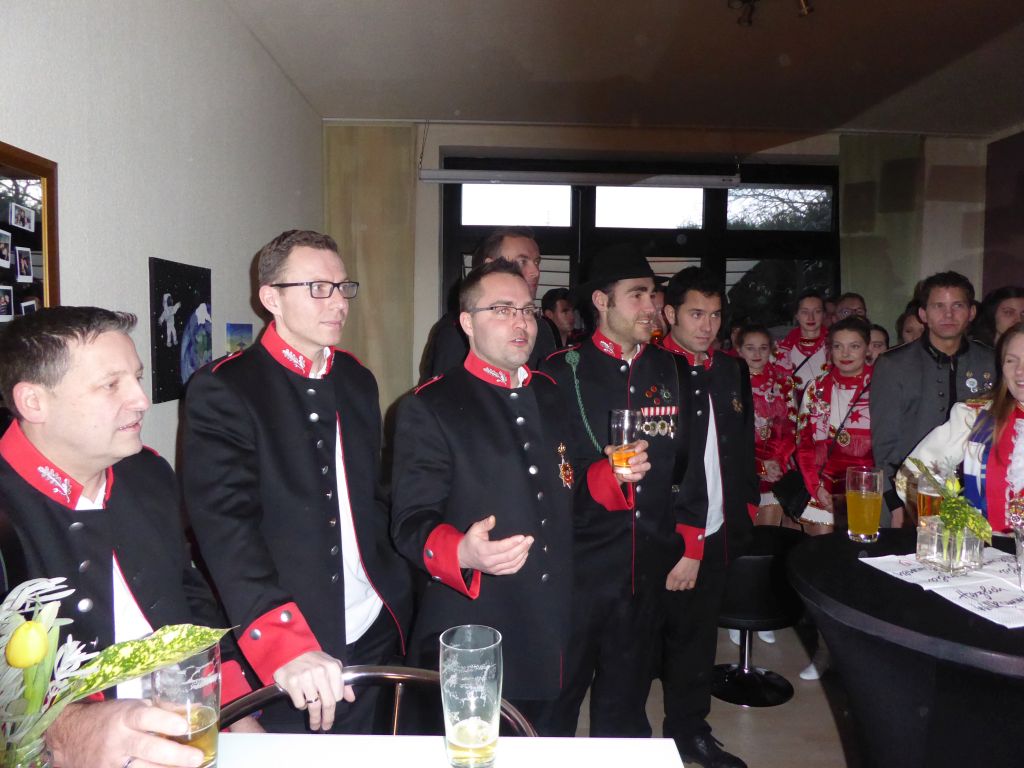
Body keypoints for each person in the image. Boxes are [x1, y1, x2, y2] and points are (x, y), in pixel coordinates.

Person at [0, 307, 258, 768]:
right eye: (110, 384)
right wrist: (67, 729)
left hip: (184, 738)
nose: (141, 399)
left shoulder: (148, 473)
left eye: (136, 378)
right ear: (34, 402)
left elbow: (187, 595)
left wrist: (235, 707)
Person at [181, 230, 412, 734]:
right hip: (290, 637)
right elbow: (226, 529)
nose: (338, 302)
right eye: (318, 288)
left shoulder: (356, 379)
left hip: (375, 622)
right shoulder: (226, 387)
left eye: (343, 287)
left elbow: (370, 497)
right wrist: (284, 642)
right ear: (271, 298)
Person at [391, 260, 576, 732]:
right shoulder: (430, 405)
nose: (521, 322)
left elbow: (569, 487)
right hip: (477, 624)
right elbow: (409, 523)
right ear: (467, 323)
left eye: (527, 310)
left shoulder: (552, 392)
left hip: (556, 619)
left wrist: (612, 476)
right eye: (502, 310)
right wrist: (462, 551)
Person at [540, 244, 670, 739]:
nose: (650, 306)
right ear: (601, 301)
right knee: (557, 701)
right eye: (637, 295)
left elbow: (683, 466)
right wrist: (603, 475)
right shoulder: (559, 372)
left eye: (653, 295)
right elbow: (545, 480)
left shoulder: (668, 369)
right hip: (579, 569)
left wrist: (687, 541)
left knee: (627, 707)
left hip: (645, 570)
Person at [658, 267, 757, 768]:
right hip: (663, 533)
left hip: (719, 526)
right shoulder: (652, 370)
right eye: (696, 314)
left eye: (715, 315)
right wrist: (684, 541)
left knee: (698, 640)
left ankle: (689, 732)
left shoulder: (731, 369)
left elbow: (743, 441)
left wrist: (746, 506)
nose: (707, 326)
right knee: (646, 641)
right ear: (670, 313)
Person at [871, 271, 996, 528]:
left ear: (971, 312)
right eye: (938, 306)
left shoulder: (991, 361)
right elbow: (884, 444)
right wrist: (895, 503)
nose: (948, 315)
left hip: (977, 494)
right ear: (923, 314)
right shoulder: (894, 364)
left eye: (957, 305)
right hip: (910, 492)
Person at [897, 322, 1024, 532]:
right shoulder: (975, 417)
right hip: (989, 549)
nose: (1019, 371)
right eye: (1011, 360)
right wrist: (950, 527)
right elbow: (914, 474)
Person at [420, 227, 557, 381]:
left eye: (536, 262)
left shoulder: (541, 329)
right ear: (491, 266)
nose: (535, 272)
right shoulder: (457, 331)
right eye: (522, 261)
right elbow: (445, 391)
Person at [795, 317, 875, 535]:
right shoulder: (816, 388)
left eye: (854, 346)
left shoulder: (882, 387)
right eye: (838, 346)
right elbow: (804, 444)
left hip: (867, 489)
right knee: (822, 552)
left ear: (867, 348)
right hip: (822, 486)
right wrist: (816, 488)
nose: (845, 354)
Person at [736, 324, 797, 527]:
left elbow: (791, 429)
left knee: (769, 536)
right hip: (742, 468)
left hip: (776, 466)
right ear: (739, 350)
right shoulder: (730, 385)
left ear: (770, 350)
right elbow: (726, 435)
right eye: (750, 348)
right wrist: (758, 466)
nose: (757, 354)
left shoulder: (783, 383)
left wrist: (777, 461)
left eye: (763, 348)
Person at [772, 290, 828, 393]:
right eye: (804, 312)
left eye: (817, 311)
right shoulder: (778, 350)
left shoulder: (836, 346)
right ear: (796, 315)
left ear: (824, 314)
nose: (811, 317)